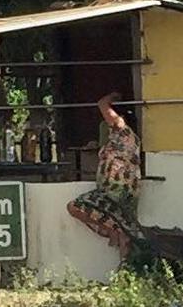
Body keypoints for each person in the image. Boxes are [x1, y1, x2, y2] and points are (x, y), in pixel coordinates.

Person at [67, 92, 142, 258]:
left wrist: (115, 95)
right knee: (125, 229)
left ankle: (117, 232)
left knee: (75, 206)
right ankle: (123, 248)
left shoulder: (122, 130)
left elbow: (102, 104)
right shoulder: (122, 139)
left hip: (116, 190)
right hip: (116, 190)